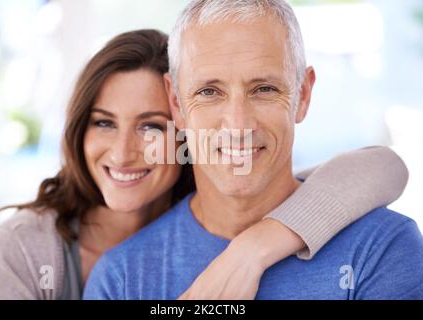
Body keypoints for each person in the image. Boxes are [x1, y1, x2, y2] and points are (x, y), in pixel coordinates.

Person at [0, 29, 408, 300]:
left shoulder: (223, 196)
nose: (124, 152)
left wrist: (251, 251)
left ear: (183, 122)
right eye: (104, 123)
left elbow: (383, 167)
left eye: (150, 127)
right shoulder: (27, 248)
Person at [83, 0, 423, 300]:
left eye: (263, 88)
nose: (238, 123)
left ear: (303, 95)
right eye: (208, 92)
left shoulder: (382, 249)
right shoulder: (122, 279)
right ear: (176, 103)